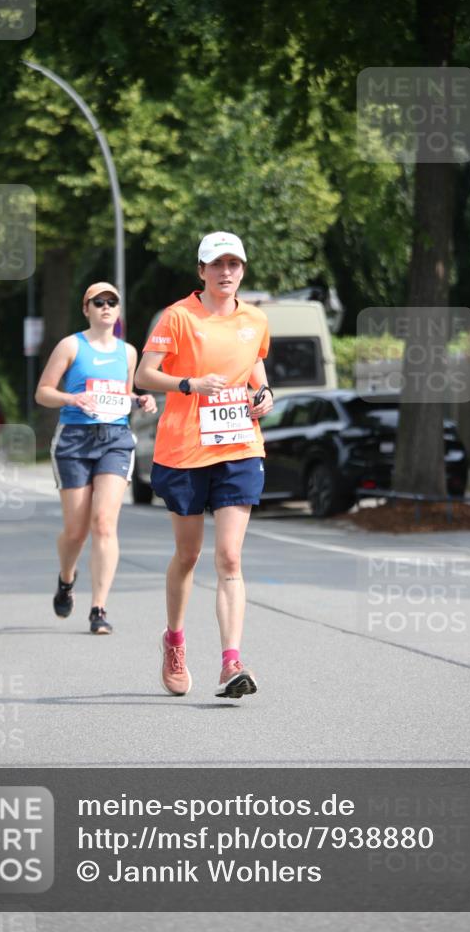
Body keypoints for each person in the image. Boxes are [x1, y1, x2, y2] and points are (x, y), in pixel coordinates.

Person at [135, 232, 274, 698]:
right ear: (201, 270)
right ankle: (174, 640)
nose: (226, 272)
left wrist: (266, 394)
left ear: (243, 270)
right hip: (184, 450)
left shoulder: (255, 319)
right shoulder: (177, 316)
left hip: (239, 447)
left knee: (230, 557)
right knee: (189, 554)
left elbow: (255, 365)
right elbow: (145, 374)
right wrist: (190, 384)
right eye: (217, 264)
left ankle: (231, 663)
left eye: (234, 264)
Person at [35, 282, 157, 635]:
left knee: (104, 523)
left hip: (115, 441)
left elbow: (123, 392)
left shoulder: (128, 352)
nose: (106, 306)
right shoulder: (71, 345)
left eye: (112, 302)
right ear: (86, 308)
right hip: (74, 440)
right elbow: (43, 392)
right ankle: (66, 578)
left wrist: (141, 400)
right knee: (76, 532)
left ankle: (99, 609)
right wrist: (71, 400)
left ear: (118, 311)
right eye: (98, 302)